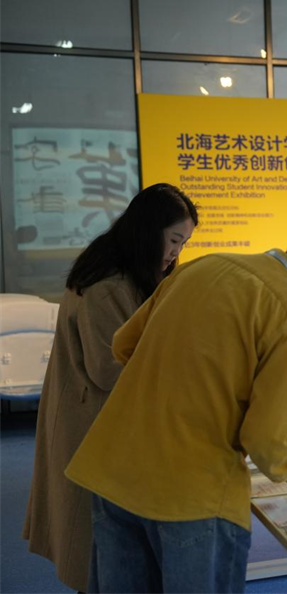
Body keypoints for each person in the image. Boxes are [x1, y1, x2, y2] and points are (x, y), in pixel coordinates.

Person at [65, 229, 287, 594]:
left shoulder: (202, 267)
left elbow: (123, 345)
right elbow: (265, 439)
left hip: (114, 468)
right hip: (192, 492)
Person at [23, 183, 198, 593]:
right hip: (94, 421)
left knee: (105, 553)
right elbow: (109, 369)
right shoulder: (108, 284)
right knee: (96, 550)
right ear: (148, 230)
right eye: (174, 240)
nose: (176, 252)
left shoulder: (123, 266)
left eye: (184, 243)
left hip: (99, 417)